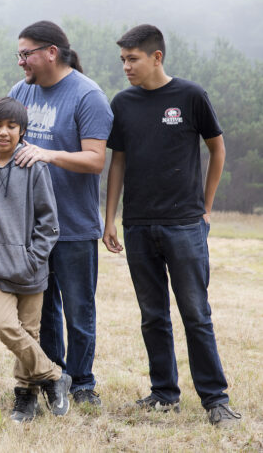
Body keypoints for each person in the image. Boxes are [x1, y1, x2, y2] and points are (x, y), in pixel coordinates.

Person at [103, 24, 241, 427]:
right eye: (123, 60)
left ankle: (216, 400)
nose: (126, 67)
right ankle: (164, 393)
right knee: (152, 315)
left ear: (156, 57)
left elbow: (217, 149)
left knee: (196, 314)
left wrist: (207, 207)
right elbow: (119, 162)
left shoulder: (191, 95)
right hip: (139, 225)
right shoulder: (123, 103)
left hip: (184, 225)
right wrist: (109, 218)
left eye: (133, 59)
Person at [6, 21, 113, 406]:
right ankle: (52, 379)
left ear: (51, 52)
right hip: (31, 226)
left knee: (79, 312)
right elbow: (3, 138)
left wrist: (47, 153)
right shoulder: (21, 92)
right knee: (41, 310)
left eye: (25, 54)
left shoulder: (87, 96)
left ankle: (83, 384)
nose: (20, 63)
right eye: (18, 55)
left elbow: (96, 159)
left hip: (74, 226)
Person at [0, 97, 68, 422]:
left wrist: (34, 258)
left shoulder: (33, 166)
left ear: (22, 131)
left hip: (31, 267)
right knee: (5, 326)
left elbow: (49, 221)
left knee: (29, 333)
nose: (3, 132)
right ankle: (55, 375)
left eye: (11, 126)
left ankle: (25, 397)